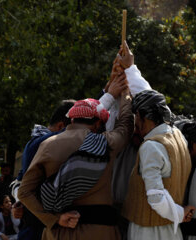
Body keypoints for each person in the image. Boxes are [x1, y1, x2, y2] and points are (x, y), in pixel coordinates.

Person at [18, 71, 133, 240]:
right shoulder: (107, 143)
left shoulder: (47, 145)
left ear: (71, 120)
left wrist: (55, 219)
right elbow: (126, 125)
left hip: (57, 232)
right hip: (99, 232)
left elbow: (24, 192)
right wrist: (126, 94)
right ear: (98, 123)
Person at [122, 89, 194, 240]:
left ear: (142, 116)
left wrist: (181, 214)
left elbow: (156, 199)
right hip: (172, 230)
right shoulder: (178, 136)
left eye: (136, 117)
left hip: (149, 232)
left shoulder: (151, 146)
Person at [11, 100, 75, 240]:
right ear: (61, 126)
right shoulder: (43, 142)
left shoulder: (36, 142)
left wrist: (18, 200)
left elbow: (20, 180)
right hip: (37, 226)